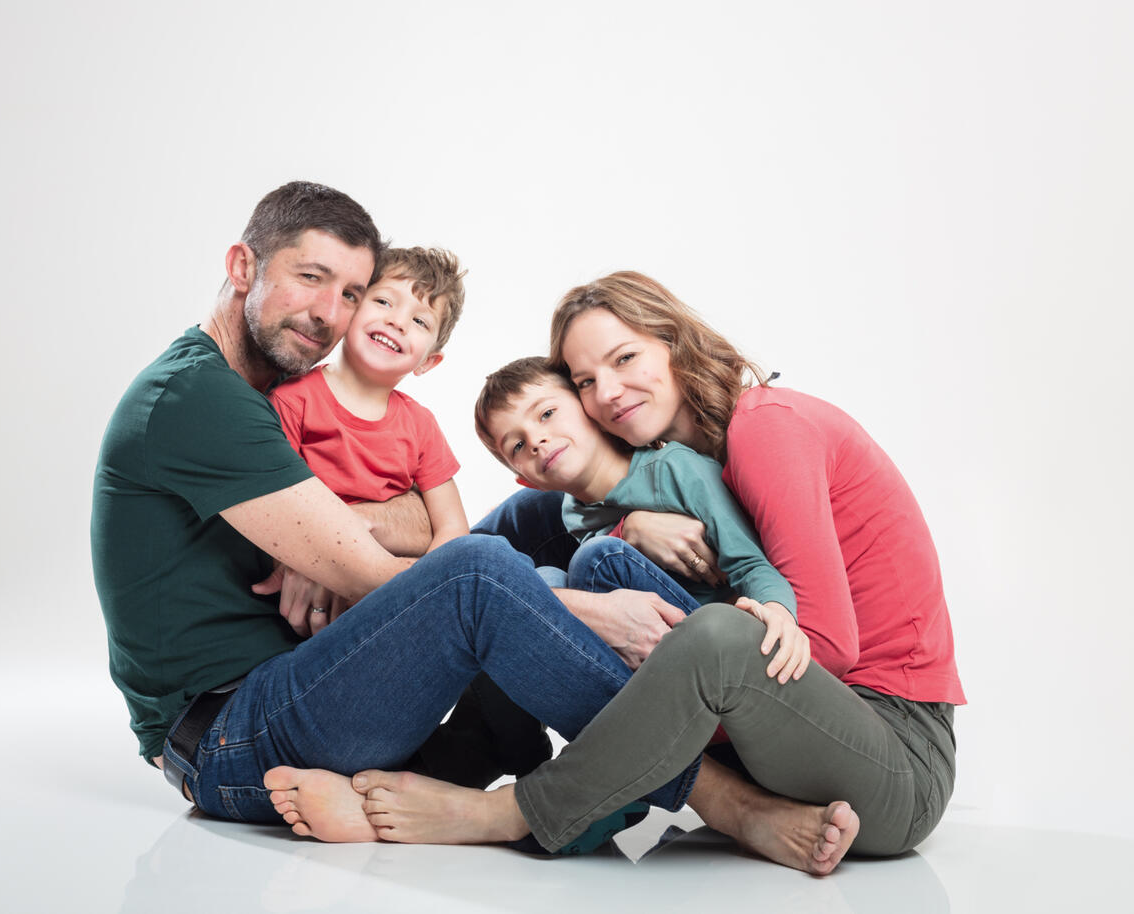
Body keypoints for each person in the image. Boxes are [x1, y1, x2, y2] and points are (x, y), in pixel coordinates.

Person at [89, 185, 702, 842]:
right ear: (244, 268)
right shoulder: (199, 396)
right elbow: (398, 576)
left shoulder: (271, 390)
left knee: (533, 515)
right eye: (310, 278)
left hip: (316, 668)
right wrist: (591, 613)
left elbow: (416, 526)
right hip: (230, 737)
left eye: (351, 293)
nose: (330, 312)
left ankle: (487, 745)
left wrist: (338, 527)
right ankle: (725, 795)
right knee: (476, 571)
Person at [349, 271, 964, 875]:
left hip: (891, 754)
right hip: (770, 750)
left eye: (625, 358)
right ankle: (469, 750)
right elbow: (466, 563)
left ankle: (511, 812)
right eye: (587, 381)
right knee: (555, 560)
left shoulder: (765, 427)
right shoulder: (635, 483)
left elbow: (825, 647)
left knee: (712, 635)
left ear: (673, 342)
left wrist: (621, 639)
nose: (610, 392)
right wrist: (343, 545)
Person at [473, 355, 808, 684]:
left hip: (721, 645)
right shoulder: (573, 513)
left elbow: (752, 566)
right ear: (525, 480)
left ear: (590, 408)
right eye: (517, 445)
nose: (536, 441)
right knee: (542, 582)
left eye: (547, 414)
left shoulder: (675, 469)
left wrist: (778, 616)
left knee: (596, 558)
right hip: (641, 651)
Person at [264, 247, 470, 621]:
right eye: (383, 302)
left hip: (400, 598)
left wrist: (427, 592)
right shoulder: (293, 401)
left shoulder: (420, 423)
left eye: (420, 322)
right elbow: (274, 513)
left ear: (429, 362)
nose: (398, 322)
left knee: (504, 557)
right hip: (312, 599)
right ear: (350, 308)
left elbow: (453, 527)